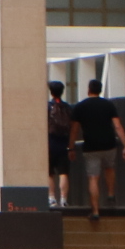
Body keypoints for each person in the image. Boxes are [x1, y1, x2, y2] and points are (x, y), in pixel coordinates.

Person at [68, 76, 124, 220]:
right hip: (109, 144)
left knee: (93, 178)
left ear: (89, 90)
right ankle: (111, 194)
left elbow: (74, 130)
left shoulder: (80, 107)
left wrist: (71, 147)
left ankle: (95, 211)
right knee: (109, 168)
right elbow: (117, 126)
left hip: (91, 147)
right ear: (100, 90)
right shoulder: (109, 105)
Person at [44, 80, 72, 209]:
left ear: (51, 92)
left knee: (49, 173)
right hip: (64, 142)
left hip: (50, 142)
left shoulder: (47, 106)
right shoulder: (67, 107)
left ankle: (51, 198)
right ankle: (64, 199)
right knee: (63, 172)